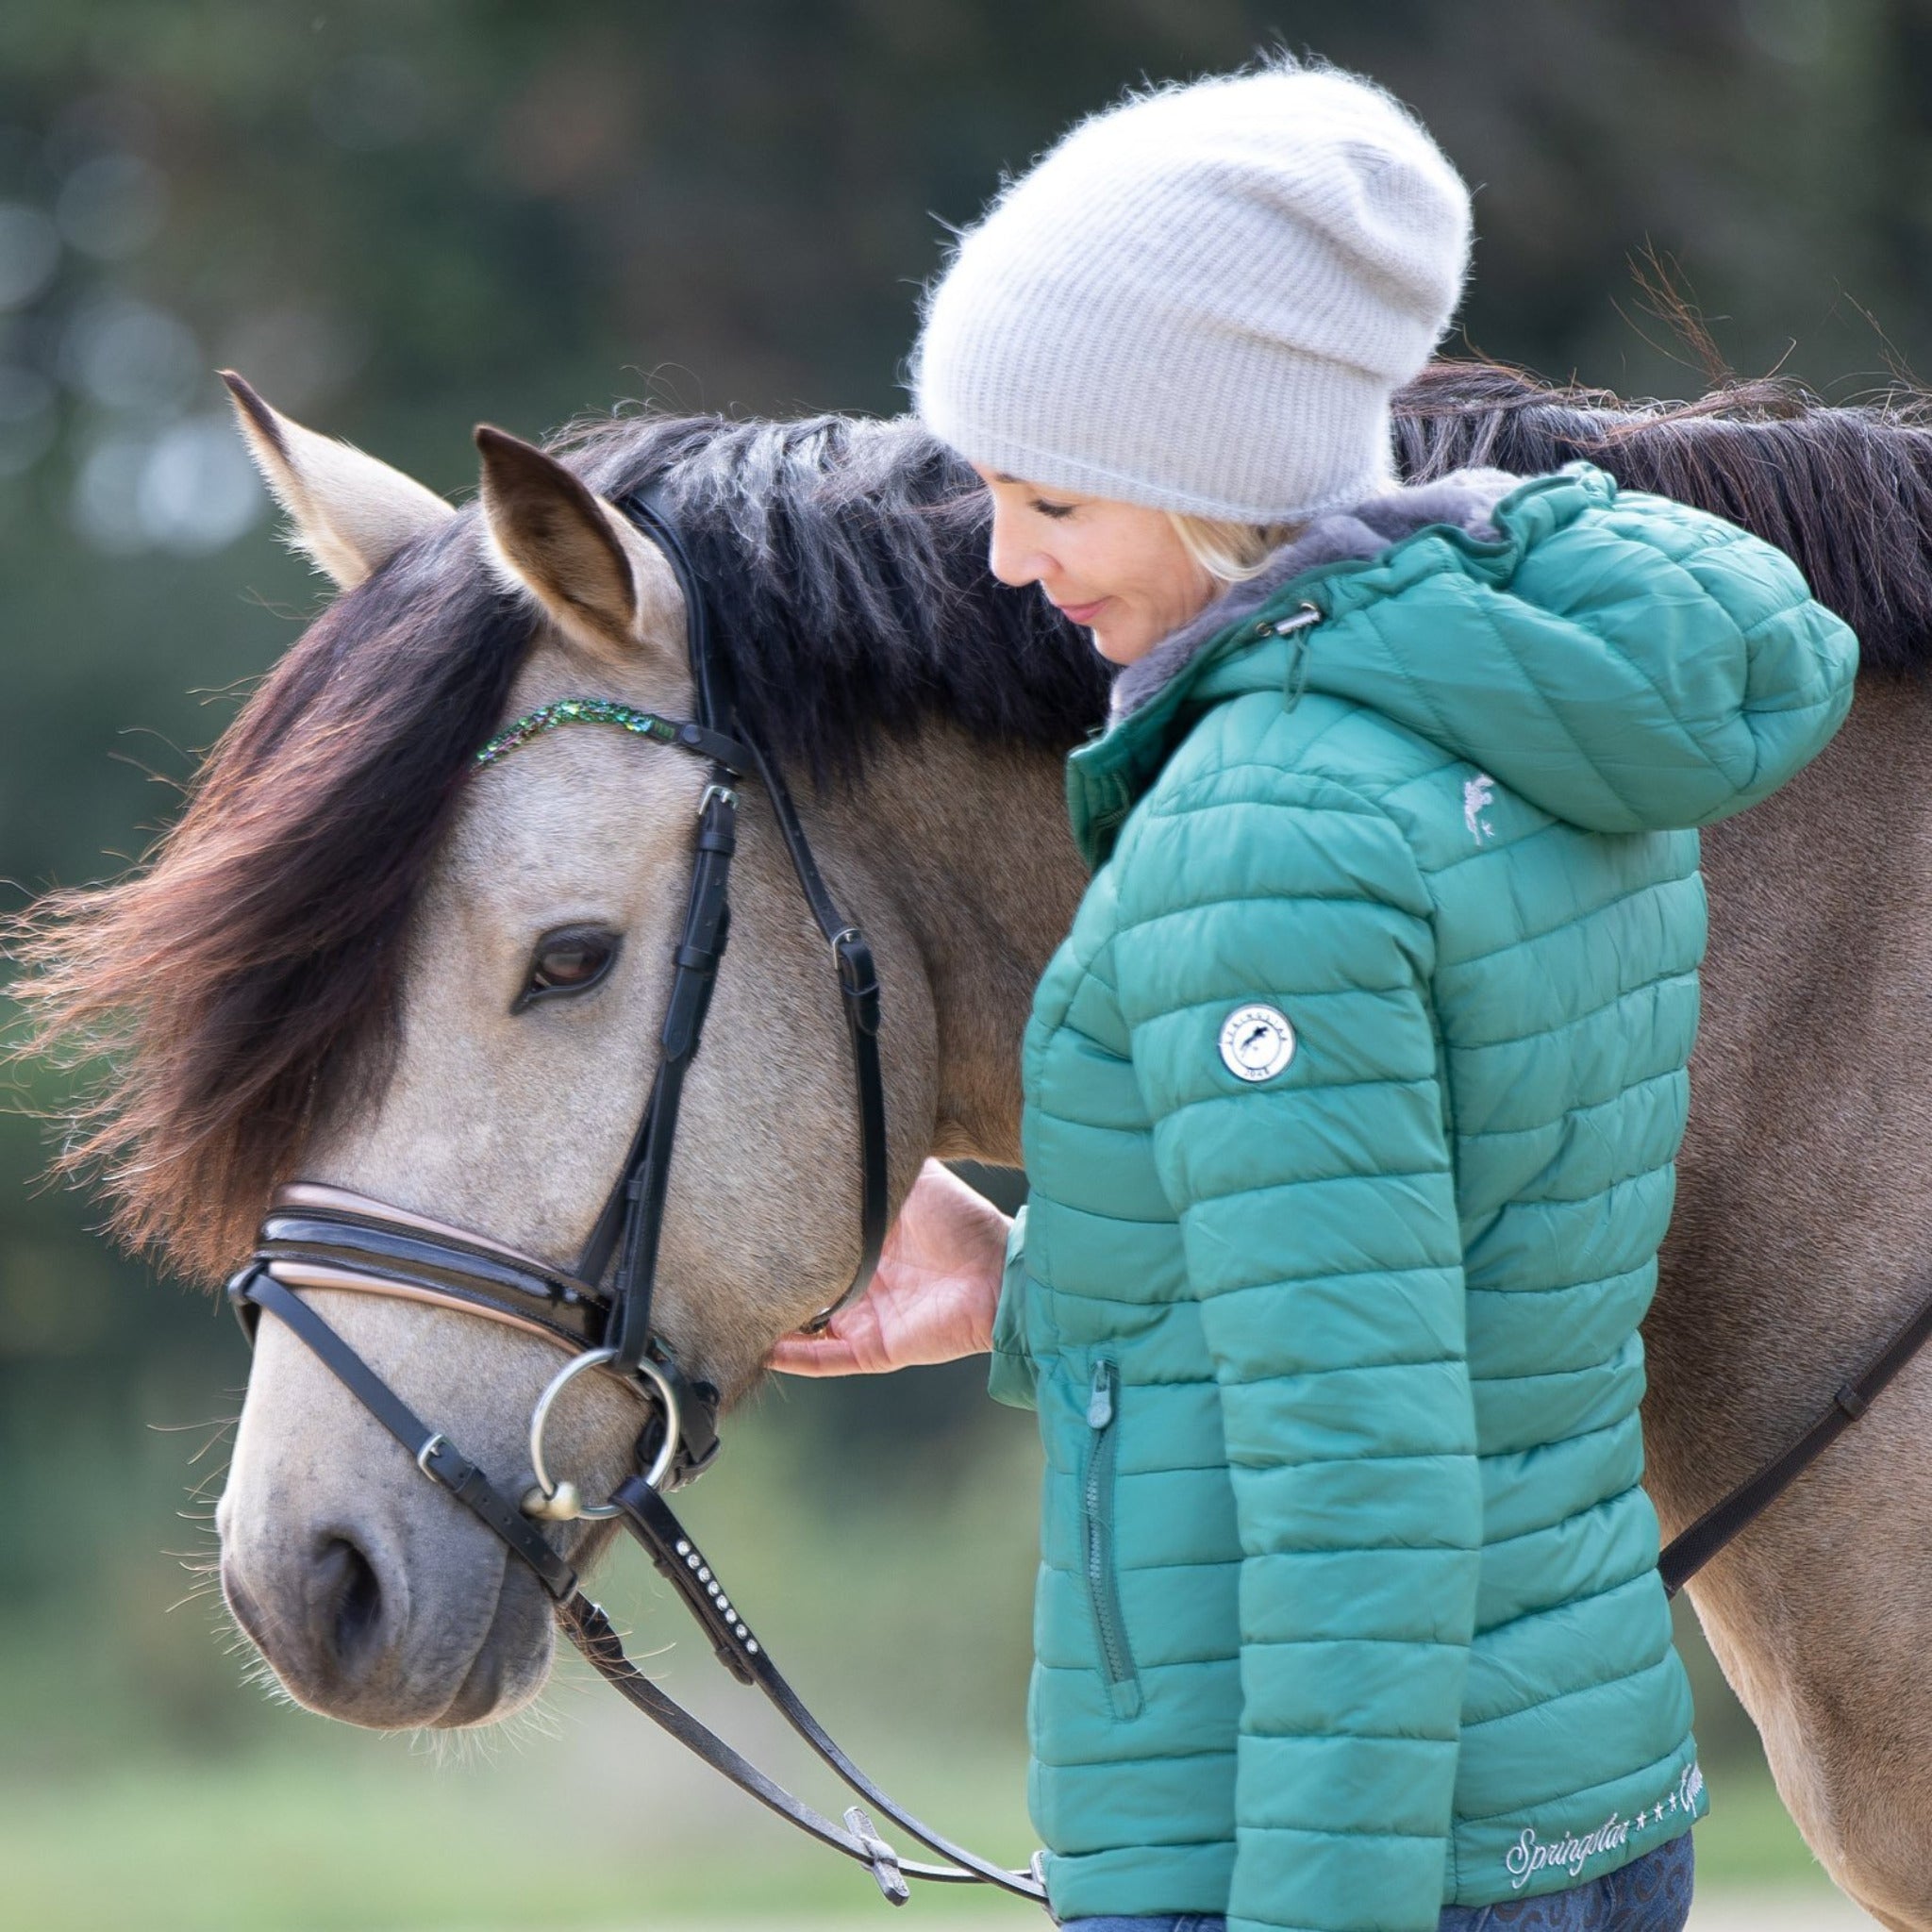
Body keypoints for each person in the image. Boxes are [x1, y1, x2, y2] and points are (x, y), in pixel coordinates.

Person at [772, 58, 1858, 1932]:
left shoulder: (1267, 834)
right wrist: (1029, 1286)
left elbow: (1361, 1485)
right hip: (1575, 1803)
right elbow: (1452, 1265)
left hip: (1330, 1852)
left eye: (1050, 499)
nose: (1008, 559)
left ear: (1211, 483)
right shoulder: (1526, 726)